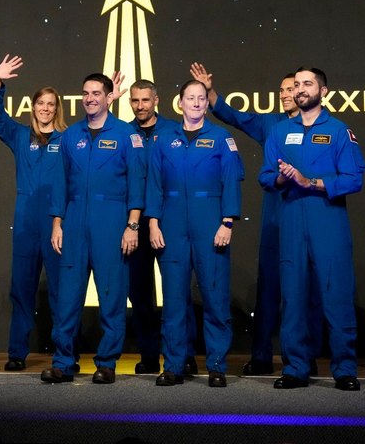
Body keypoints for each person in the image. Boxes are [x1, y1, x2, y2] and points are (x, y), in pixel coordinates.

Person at [193, 62, 323, 377]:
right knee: (268, 289)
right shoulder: (271, 125)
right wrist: (210, 91)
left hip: (309, 215)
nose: (287, 94)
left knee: (307, 289)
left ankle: (305, 356)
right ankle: (262, 355)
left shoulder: (323, 127)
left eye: (292, 88)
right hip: (276, 219)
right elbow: (234, 116)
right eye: (282, 90)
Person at [259, 67, 365, 391]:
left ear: (323, 91)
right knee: (292, 298)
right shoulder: (279, 131)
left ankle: (344, 369)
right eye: (296, 85)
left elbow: (354, 178)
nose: (300, 89)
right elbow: (266, 176)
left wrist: (312, 182)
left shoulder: (338, 131)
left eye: (308, 84)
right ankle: (295, 368)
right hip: (291, 217)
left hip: (328, 218)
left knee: (336, 295)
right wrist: (283, 178)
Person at [41, 73, 145, 385]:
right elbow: (60, 182)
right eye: (86, 93)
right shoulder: (70, 135)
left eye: (96, 93)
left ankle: (107, 363)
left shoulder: (127, 135)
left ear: (109, 97)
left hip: (111, 220)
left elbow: (137, 183)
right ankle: (63, 363)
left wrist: (132, 225)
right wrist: (57, 223)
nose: (89, 98)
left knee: (111, 295)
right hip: (74, 221)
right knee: (67, 297)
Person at [146, 80, 244, 387]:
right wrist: (153, 222)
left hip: (210, 222)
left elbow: (232, 180)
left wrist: (227, 222)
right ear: (180, 103)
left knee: (215, 297)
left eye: (202, 98)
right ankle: (173, 365)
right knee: (174, 300)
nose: (197, 103)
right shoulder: (163, 139)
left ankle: (216, 366)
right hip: (171, 224)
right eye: (191, 98)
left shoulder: (221, 137)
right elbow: (154, 183)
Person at [0, 54, 74, 371]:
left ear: (57, 109)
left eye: (51, 104)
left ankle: (66, 355)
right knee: (21, 288)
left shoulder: (69, 139)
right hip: (25, 221)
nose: (45, 108)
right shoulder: (21, 136)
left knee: (61, 291)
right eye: (41, 103)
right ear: (33, 107)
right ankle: (16, 353)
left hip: (57, 221)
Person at [126, 78, 198, 376]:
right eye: (135, 100)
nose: (140, 105)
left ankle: (185, 353)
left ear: (156, 100)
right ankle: (149, 354)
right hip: (133, 223)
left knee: (177, 291)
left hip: (167, 221)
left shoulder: (173, 131)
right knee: (139, 292)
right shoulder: (123, 132)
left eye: (145, 100)